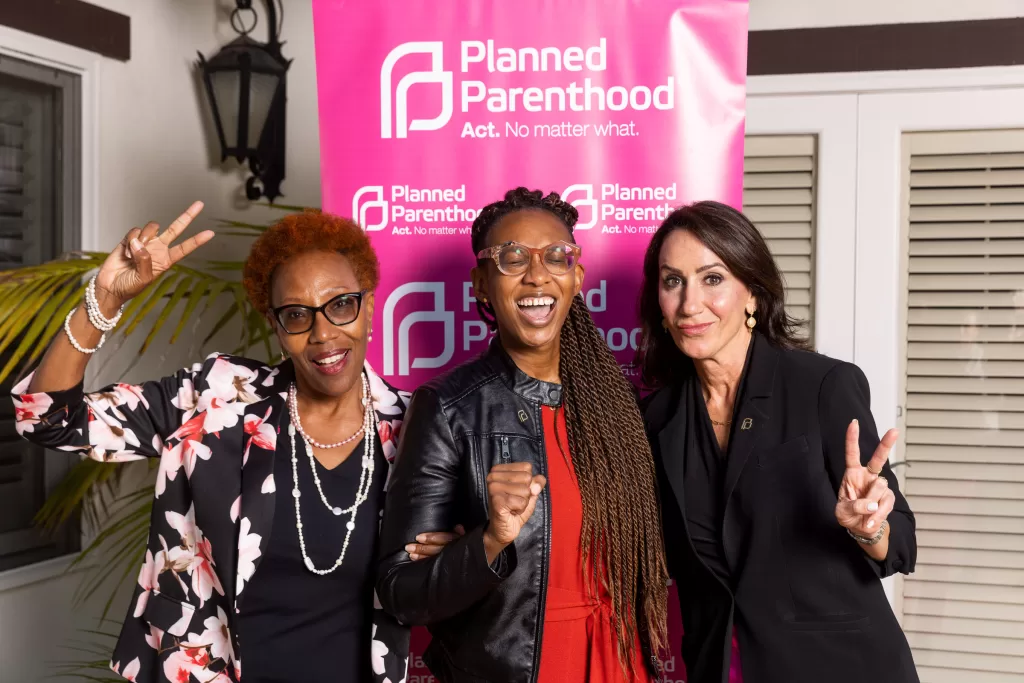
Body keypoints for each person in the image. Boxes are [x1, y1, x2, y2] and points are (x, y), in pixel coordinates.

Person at [12, 205, 459, 683]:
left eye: (341, 304)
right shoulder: (219, 399)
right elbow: (50, 420)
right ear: (275, 325)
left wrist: (457, 556)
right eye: (296, 315)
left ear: (369, 308)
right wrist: (103, 301)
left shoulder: (419, 428)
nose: (324, 333)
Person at [377, 188, 668, 682]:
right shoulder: (449, 408)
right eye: (512, 258)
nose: (537, 274)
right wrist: (489, 541)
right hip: (520, 669)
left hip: (623, 666)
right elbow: (401, 591)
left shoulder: (619, 405)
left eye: (557, 257)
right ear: (481, 285)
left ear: (576, 278)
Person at [636, 201, 919, 683]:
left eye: (712, 278)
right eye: (672, 281)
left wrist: (869, 527)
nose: (689, 303)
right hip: (719, 666)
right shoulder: (657, 417)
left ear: (752, 293)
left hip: (838, 666)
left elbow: (901, 546)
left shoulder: (822, 385)